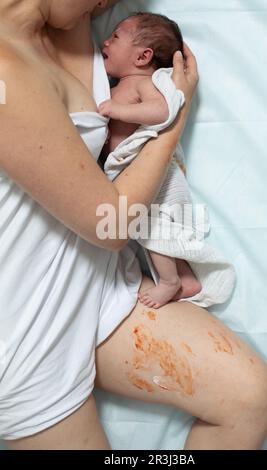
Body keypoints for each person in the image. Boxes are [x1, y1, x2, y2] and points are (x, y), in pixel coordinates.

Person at [0, 0, 267, 450]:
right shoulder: (6, 70)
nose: (106, 6)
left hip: (99, 289)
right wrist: (174, 118)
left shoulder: (65, 26)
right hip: (27, 327)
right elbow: (109, 227)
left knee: (251, 400)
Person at [98, 12, 202, 309]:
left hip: (156, 174)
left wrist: (119, 111)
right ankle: (186, 278)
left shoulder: (145, 83)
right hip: (132, 175)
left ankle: (170, 282)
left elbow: (162, 112)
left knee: (152, 229)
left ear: (143, 57)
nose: (105, 40)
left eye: (115, 36)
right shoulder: (118, 84)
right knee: (158, 230)